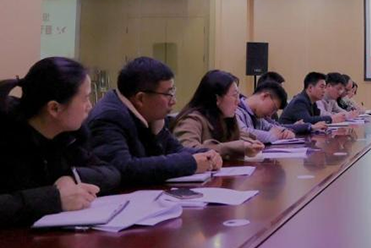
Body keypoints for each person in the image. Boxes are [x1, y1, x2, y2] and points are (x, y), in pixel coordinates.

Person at [0, 57, 120, 227]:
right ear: (54, 108)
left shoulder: (67, 136)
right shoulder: (7, 136)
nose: (90, 106)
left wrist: (71, 177)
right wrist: (55, 199)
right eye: (85, 98)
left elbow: (111, 172)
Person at [87, 57, 221, 186]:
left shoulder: (150, 115)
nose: (173, 101)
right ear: (141, 99)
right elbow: (122, 169)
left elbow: (175, 150)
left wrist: (207, 154)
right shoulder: (108, 117)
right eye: (168, 94)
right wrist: (190, 163)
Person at [173, 71, 264, 159]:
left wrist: (250, 143)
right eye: (234, 95)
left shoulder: (224, 118)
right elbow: (188, 150)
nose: (238, 101)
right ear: (217, 98)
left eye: (238, 96)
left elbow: (239, 136)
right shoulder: (191, 120)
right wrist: (238, 148)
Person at [280, 72, 348, 125]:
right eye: (322, 87)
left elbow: (317, 117)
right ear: (310, 88)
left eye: (325, 87)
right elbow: (307, 120)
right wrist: (331, 118)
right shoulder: (300, 101)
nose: (324, 90)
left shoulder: (312, 102)